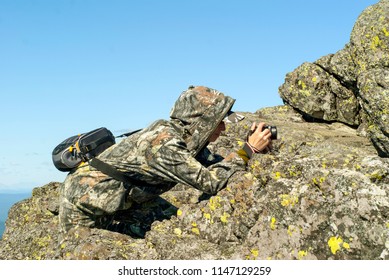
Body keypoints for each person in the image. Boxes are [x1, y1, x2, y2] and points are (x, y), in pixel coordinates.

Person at [59, 85, 272, 238]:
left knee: (174, 228)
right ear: (203, 122)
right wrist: (249, 149)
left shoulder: (183, 137)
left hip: (126, 195)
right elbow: (210, 181)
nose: (223, 128)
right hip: (85, 200)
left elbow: (216, 164)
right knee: (79, 251)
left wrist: (250, 150)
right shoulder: (164, 144)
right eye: (219, 122)